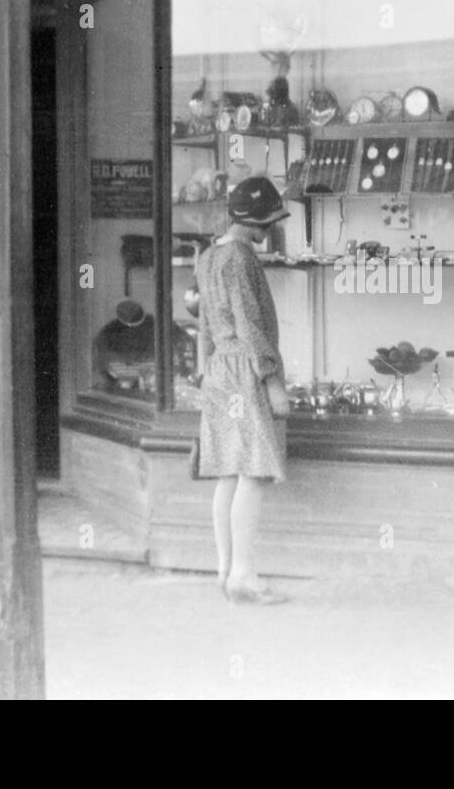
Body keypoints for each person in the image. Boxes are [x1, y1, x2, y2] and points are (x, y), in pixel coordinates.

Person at [193, 176, 291, 605]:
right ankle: (244, 576)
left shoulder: (209, 256)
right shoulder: (241, 258)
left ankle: (225, 568)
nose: (268, 229)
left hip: (217, 369)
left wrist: (202, 370)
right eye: (266, 222)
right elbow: (251, 325)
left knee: (229, 473)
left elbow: (202, 327)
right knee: (254, 472)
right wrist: (272, 382)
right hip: (244, 370)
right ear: (251, 221)